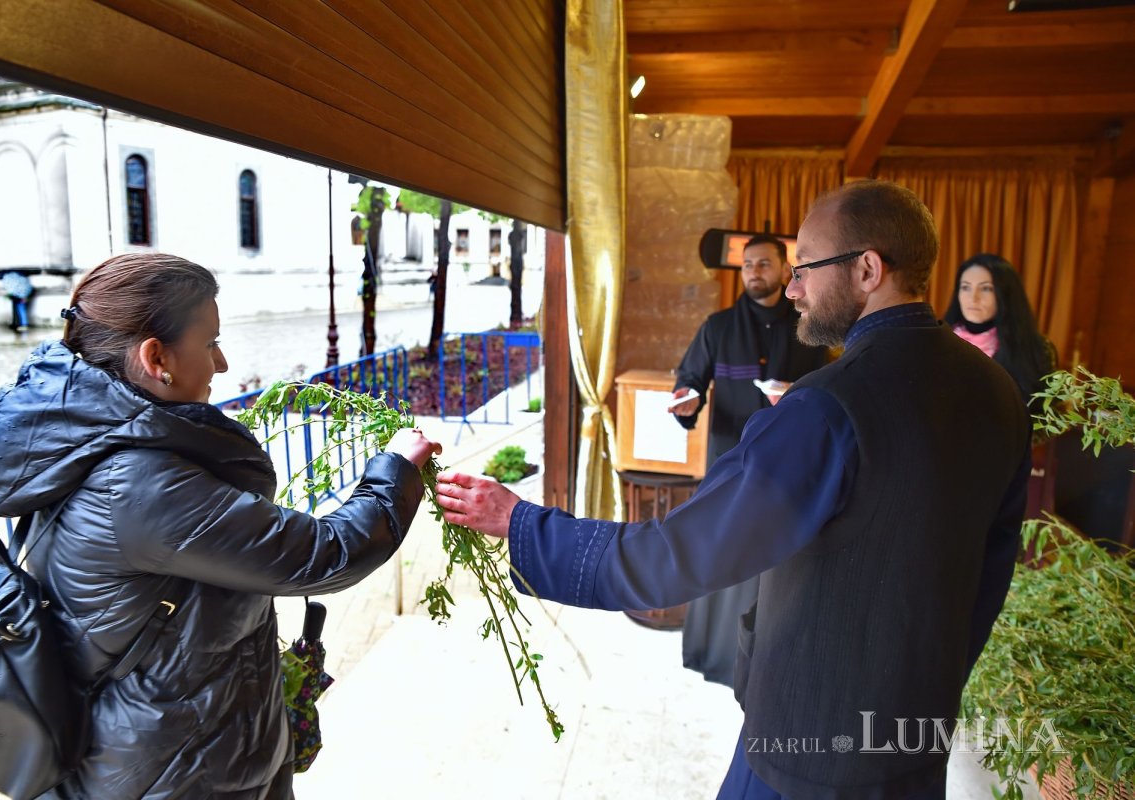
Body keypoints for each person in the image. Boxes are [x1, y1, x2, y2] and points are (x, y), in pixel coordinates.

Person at [435, 180, 1030, 800]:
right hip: (914, 742)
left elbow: (675, 555)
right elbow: (987, 582)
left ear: (867, 269)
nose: (794, 286)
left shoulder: (828, 408)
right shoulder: (998, 394)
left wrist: (522, 522)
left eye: (805, 268)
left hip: (808, 750)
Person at [0, 253, 440, 799]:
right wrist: (396, 471)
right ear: (156, 357)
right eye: (210, 342)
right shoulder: (139, 486)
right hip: (175, 772)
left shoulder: (95, 438)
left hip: (176, 748)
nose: (223, 362)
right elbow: (324, 554)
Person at [668, 233, 828, 687]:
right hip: (729, 463)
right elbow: (689, 383)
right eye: (748, 265)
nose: (755, 272)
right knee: (722, 557)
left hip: (791, 468)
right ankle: (716, 657)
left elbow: (833, 387)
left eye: (764, 264)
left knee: (781, 568)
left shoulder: (810, 327)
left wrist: (800, 397)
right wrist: (685, 402)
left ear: (784, 271)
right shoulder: (717, 327)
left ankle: (774, 662)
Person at [943, 252, 1056, 404]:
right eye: (965, 287)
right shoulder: (939, 340)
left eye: (986, 289)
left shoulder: (1035, 349)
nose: (973, 297)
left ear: (1005, 294)